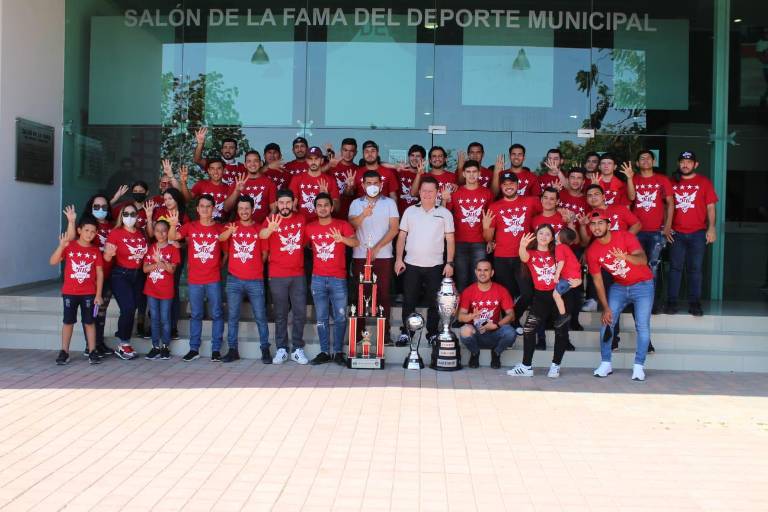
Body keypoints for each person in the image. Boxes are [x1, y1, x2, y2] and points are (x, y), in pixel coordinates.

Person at [586, 211, 655, 381]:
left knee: (642, 325)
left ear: (608, 225)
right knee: (607, 322)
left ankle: (639, 366)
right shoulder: (593, 251)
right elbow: (598, 281)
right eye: (593, 224)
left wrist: (625, 256)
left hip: (643, 285)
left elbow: (643, 260)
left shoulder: (624, 236)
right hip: (620, 287)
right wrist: (605, 307)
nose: (597, 227)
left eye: (600, 223)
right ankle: (605, 363)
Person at [395, 176, 455, 343]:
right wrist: (398, 259)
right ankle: (407, 332)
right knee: (409, 300)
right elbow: (401, 237)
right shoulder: (410, 211)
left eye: (431, 191)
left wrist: (450, 262)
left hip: (435, 265)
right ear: (419, 192)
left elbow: (450, 240)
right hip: (411, 264)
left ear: (437, 193)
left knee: (434, 302)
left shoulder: (445, 214)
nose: (427, 194)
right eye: (424, 191)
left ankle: (432, 333)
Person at [168, 194, 226, 362]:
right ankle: (194, 349)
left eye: (208, 206)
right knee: (196, 315)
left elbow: (226, 253)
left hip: (213, 278)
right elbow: (172, 237)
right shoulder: (190, 226)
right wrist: (172, 225)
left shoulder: (220, 229)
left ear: (213, 209)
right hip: (195, 280)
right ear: (197, 209)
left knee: (217, 314)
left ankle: (216, 350)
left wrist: (217, 266)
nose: (205, 209)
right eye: (202, 206)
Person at [507, 225, 570, 378]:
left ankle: (555, 366)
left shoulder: (558, 252)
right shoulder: (531, 253)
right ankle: (526, 366)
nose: (543, 236)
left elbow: (572, 267)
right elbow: (523, 257)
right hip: (541, 297)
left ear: (552, 237)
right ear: (536, 236)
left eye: (547, 234)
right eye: (540, 233)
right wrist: (522, 245)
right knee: (529, 329)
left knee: (561, 331)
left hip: (559, 296)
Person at [483, 171, 542, 326]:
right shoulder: (494, 206)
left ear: (518, 185)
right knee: (506, 295)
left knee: (527, 293)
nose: (508, 187)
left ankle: (513, 318)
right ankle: (511, 325)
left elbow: (546, 215)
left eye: (511, 184)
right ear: (501, 187)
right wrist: (486, 226)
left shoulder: (531, 201)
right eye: (505, 184)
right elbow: (488, 238)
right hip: (501, 256)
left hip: (523, 256)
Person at [306, 193, 359, 365]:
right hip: (318, 278)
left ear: (332, 207)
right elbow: (303, 245)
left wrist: (341, 239)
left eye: (326, 205)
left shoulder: (342, 225)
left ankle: (337, 352)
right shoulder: (310, 227)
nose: (322, 208)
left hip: (338, 278)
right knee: (321, 318)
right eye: (319, 205)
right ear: (315, 208)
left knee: (340, 317)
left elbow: (355, 242)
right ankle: (324, 352)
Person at [348, 171, 400, 344]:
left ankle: (384, 334)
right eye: (368, 182)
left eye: (375, 182)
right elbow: (352, 225)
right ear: (362, 185)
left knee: (383, 295)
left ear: (381, 184)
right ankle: (358, 334)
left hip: (383, 256)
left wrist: (377, 248)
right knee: (360, 295)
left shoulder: (389, 203)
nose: (372, 186)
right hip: (360, 256)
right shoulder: (356, 203)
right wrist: (364, 214)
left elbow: (394, 228)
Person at [665, 151, 718, 317]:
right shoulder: (671, 182)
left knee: (695, 269)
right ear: (678, 163)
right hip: (676, 233)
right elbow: (666, 206)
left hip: (698, 233)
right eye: (682, 162)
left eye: (689, 162)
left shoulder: (704, 182)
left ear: (696, 164)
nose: (685, 165)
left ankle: (695, 303)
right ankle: (671, 302)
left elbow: (710, 207)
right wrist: (666, 227)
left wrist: (711, 228)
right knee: (675, 268)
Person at [260, 190, 309, 365]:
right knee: (280, 313)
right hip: (277, 274)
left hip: (297, 274)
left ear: (293, 203)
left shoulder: (301, 219)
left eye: (288, 202)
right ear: (276, 204)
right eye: (281, 203)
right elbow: (262, 235)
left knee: (300, 313)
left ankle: (297, 348)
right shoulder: (270, 220)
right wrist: (270, 228)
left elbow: (305, 241)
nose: (285, 206)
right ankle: (281, 348)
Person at [220, 195, 270, 363]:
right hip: (234, 279)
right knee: (232, 316)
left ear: (252, 209)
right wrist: (229, 232)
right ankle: (233, 350)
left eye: (246, 208)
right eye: (240, 209)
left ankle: (265, 349)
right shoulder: (230, 226)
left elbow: (264, 254)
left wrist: (253, 266)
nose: (243, 211)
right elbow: (221, 240)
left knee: (260, 316)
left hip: (255, 280)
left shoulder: (259, 228)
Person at [50, 215, 104, 365]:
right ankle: (64, 351)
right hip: (70, 292)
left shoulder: (95, 251)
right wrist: (61, 246)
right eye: (86, 230)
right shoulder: (70, 246)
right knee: (68, 322)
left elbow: (99, 273)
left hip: (89, 293)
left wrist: (98, 294)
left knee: (89, 322)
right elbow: (53, 261)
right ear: (79, 230)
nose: (89, 234)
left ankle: (92, 351)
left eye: (93, 232)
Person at [65, 198, 114, 356]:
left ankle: (98, 344)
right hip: (87, 279)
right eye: (96, 206)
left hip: (105, 272)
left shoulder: (111, 225)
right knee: (92, 315)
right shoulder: (86, 224)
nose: (100, 208)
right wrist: (71, 222)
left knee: (101, 312)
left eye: (104, 206)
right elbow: (70, 240)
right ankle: (90, 347)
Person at [631, 150, 674, 314]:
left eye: (649, 158)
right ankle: (636, 302)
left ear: (654, 161)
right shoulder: (633, 179)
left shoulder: (662, 179)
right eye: (642, 158)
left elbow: (670, 203)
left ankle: (653, 304)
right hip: (636, 232)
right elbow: (628, 202)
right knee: (635, 267)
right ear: (637, 163)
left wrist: (668, 225)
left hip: (656, 231)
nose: (646, 160)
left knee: (653, 268)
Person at [103, 203, 147, 360]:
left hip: (138, 275)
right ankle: (123, 343)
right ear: (121, 216)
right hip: (121, 274)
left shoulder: (141, 232)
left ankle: (122, 335)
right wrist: (108, 255)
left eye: (133, 214)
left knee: (134, 307)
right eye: (126, 214)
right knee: (128, 307)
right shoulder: (115, 233)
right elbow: (107, 259)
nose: (129, 217)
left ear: (137, 216)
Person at [457, 259, 517, 369]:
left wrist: (497, 325)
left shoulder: (501, 290)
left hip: (495, 332)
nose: (482, 273)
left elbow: (511, 315)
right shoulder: (468, 291)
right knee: (465, 331)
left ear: (492, 272)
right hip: (476, 333)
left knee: (511, 333)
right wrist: (471, 316)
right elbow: (460, 316)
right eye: (479, 270)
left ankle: (496, 353)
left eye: (486, 270)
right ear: (475, 272)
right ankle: (475, 353)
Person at [443, 159, 493, 292]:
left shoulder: (487, 193)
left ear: (479, 173)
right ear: (463, 174)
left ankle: (476, 310)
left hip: (480, 242)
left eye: (474, 172)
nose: (471, 175)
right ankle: (462, 311)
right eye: (468, 172)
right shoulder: (456, 193)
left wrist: (490, 239)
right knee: (462, 279)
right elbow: (445, 215)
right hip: (459, 242)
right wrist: (444, 199)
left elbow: (491, 219)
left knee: (479, 279)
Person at [142, 220, 180, 360]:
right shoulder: (151, 247)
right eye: (157, 230)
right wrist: (156, 264)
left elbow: (172, 270)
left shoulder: (173, 248)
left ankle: (165, 346)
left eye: (164, 230)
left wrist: (160, 262)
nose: (161, 233)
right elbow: (145, 268)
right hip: (151, 289)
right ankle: (155, 346)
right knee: (155, 318)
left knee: (165, 318)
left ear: (168, 231)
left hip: (166, 290)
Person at [290, 146, 340, 223]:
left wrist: (327, 196)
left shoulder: (330, 180)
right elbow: (292, 205)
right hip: (302, 224)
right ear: (306, 160)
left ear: (322, 160)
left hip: (322, 224)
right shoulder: (297, 179)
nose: (313, 162)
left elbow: (337, 208)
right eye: (310, 159)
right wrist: (293, 206)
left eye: (316, 159)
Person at [225, 150, 277, 224]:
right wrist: (236, 191)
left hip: (260, 229)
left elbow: (274, 209)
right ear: (245, 165)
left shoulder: (269, 183)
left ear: (261, 163)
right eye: (249, 161)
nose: (252, 164)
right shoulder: (238, 182)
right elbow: (226, 208)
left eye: (255, 161)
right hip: (240, 230)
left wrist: (264, 226)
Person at [552, 228, 582, 327]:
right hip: (572, 277)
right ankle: (563, 315)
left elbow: (561, 262)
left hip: (568, 278)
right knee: (558, 295)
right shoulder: (566, 247)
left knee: (556, 295)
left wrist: (556, 274)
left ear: (561, 237)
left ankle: (563, 315)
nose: (556, 235)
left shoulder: (560, 247)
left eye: (558, 234)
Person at [326, 138, 359, 220]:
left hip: (351, 214)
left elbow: (350, 193)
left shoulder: (358, 170)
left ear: (355, 153)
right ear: (341, 151)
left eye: (351, 151)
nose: (348, 154)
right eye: (345, 150)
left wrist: (349, 187)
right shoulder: (331, 167)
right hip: (331, 215)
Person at [394, 144, 424, 214]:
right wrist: (395, 166)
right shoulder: (400, 171)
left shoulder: (425, 176)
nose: (414, 158)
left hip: (417, 217)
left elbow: (413, 193)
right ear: (408, 157)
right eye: (412, 155)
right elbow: (379, 164)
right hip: (399, 215)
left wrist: (419, 173)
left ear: (422, 159)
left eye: (418, 156)